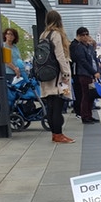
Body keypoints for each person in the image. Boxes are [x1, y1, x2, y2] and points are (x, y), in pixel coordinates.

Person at [39, 10, 75, 143]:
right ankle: (59, 134)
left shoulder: (43, 35)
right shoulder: (56, 34)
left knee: (51, 105)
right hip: (60, 77)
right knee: (60, 103)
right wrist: (66, 74)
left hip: (47, 76)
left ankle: (55, 134)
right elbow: (60, 56)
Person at [70, 27, 100, 124]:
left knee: (91, 96)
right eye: (83, 35)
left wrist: (97, 71)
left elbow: (95, 60)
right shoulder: (79, 47)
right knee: (85, 96)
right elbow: (83, 62)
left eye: (87, 34)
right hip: (84, 74)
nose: (86, 36)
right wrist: (93, 72)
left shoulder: (90, 47)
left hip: (92, 75)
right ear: (79, 36)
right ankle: (85, 116)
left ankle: (89, 115)